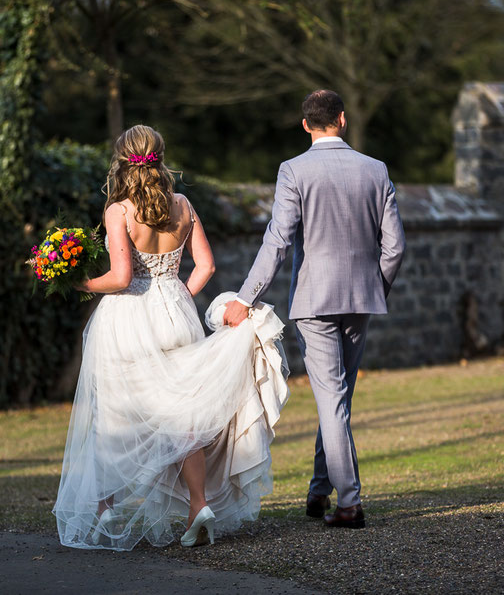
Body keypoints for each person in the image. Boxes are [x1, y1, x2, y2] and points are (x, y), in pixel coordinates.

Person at [53, 124, 289, 551]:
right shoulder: (182, 204)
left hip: (129, 318)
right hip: (176, 315)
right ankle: (197, 504)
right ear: (160, 158)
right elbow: (206, 266)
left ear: (121, 162)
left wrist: (81, 284)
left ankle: (106, 507)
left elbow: (122, 276)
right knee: (183, 415)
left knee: (113, 409)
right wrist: (178, 294)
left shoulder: (118, 211)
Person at [223, 89, 406, 529]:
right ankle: (319, 491)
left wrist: (245, 297)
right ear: (342, 119)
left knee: (332, 398)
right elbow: (395, 247)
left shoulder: (294, 170)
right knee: (338, 398)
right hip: (361, 299)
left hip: (314, 301)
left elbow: (279, 241)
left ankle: (349, 503)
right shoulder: (376, 169)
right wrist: (373, 287)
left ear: (306, 125)